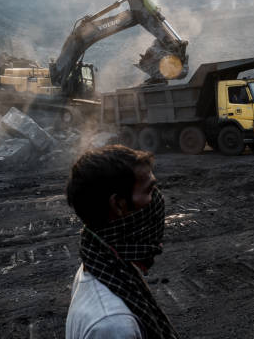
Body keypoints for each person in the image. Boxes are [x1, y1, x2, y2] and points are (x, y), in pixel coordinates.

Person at [65, 145, 179, 339]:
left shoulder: (102, 263)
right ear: (118, 204)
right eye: (150, 190)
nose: (157, 198)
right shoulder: (114, 327)